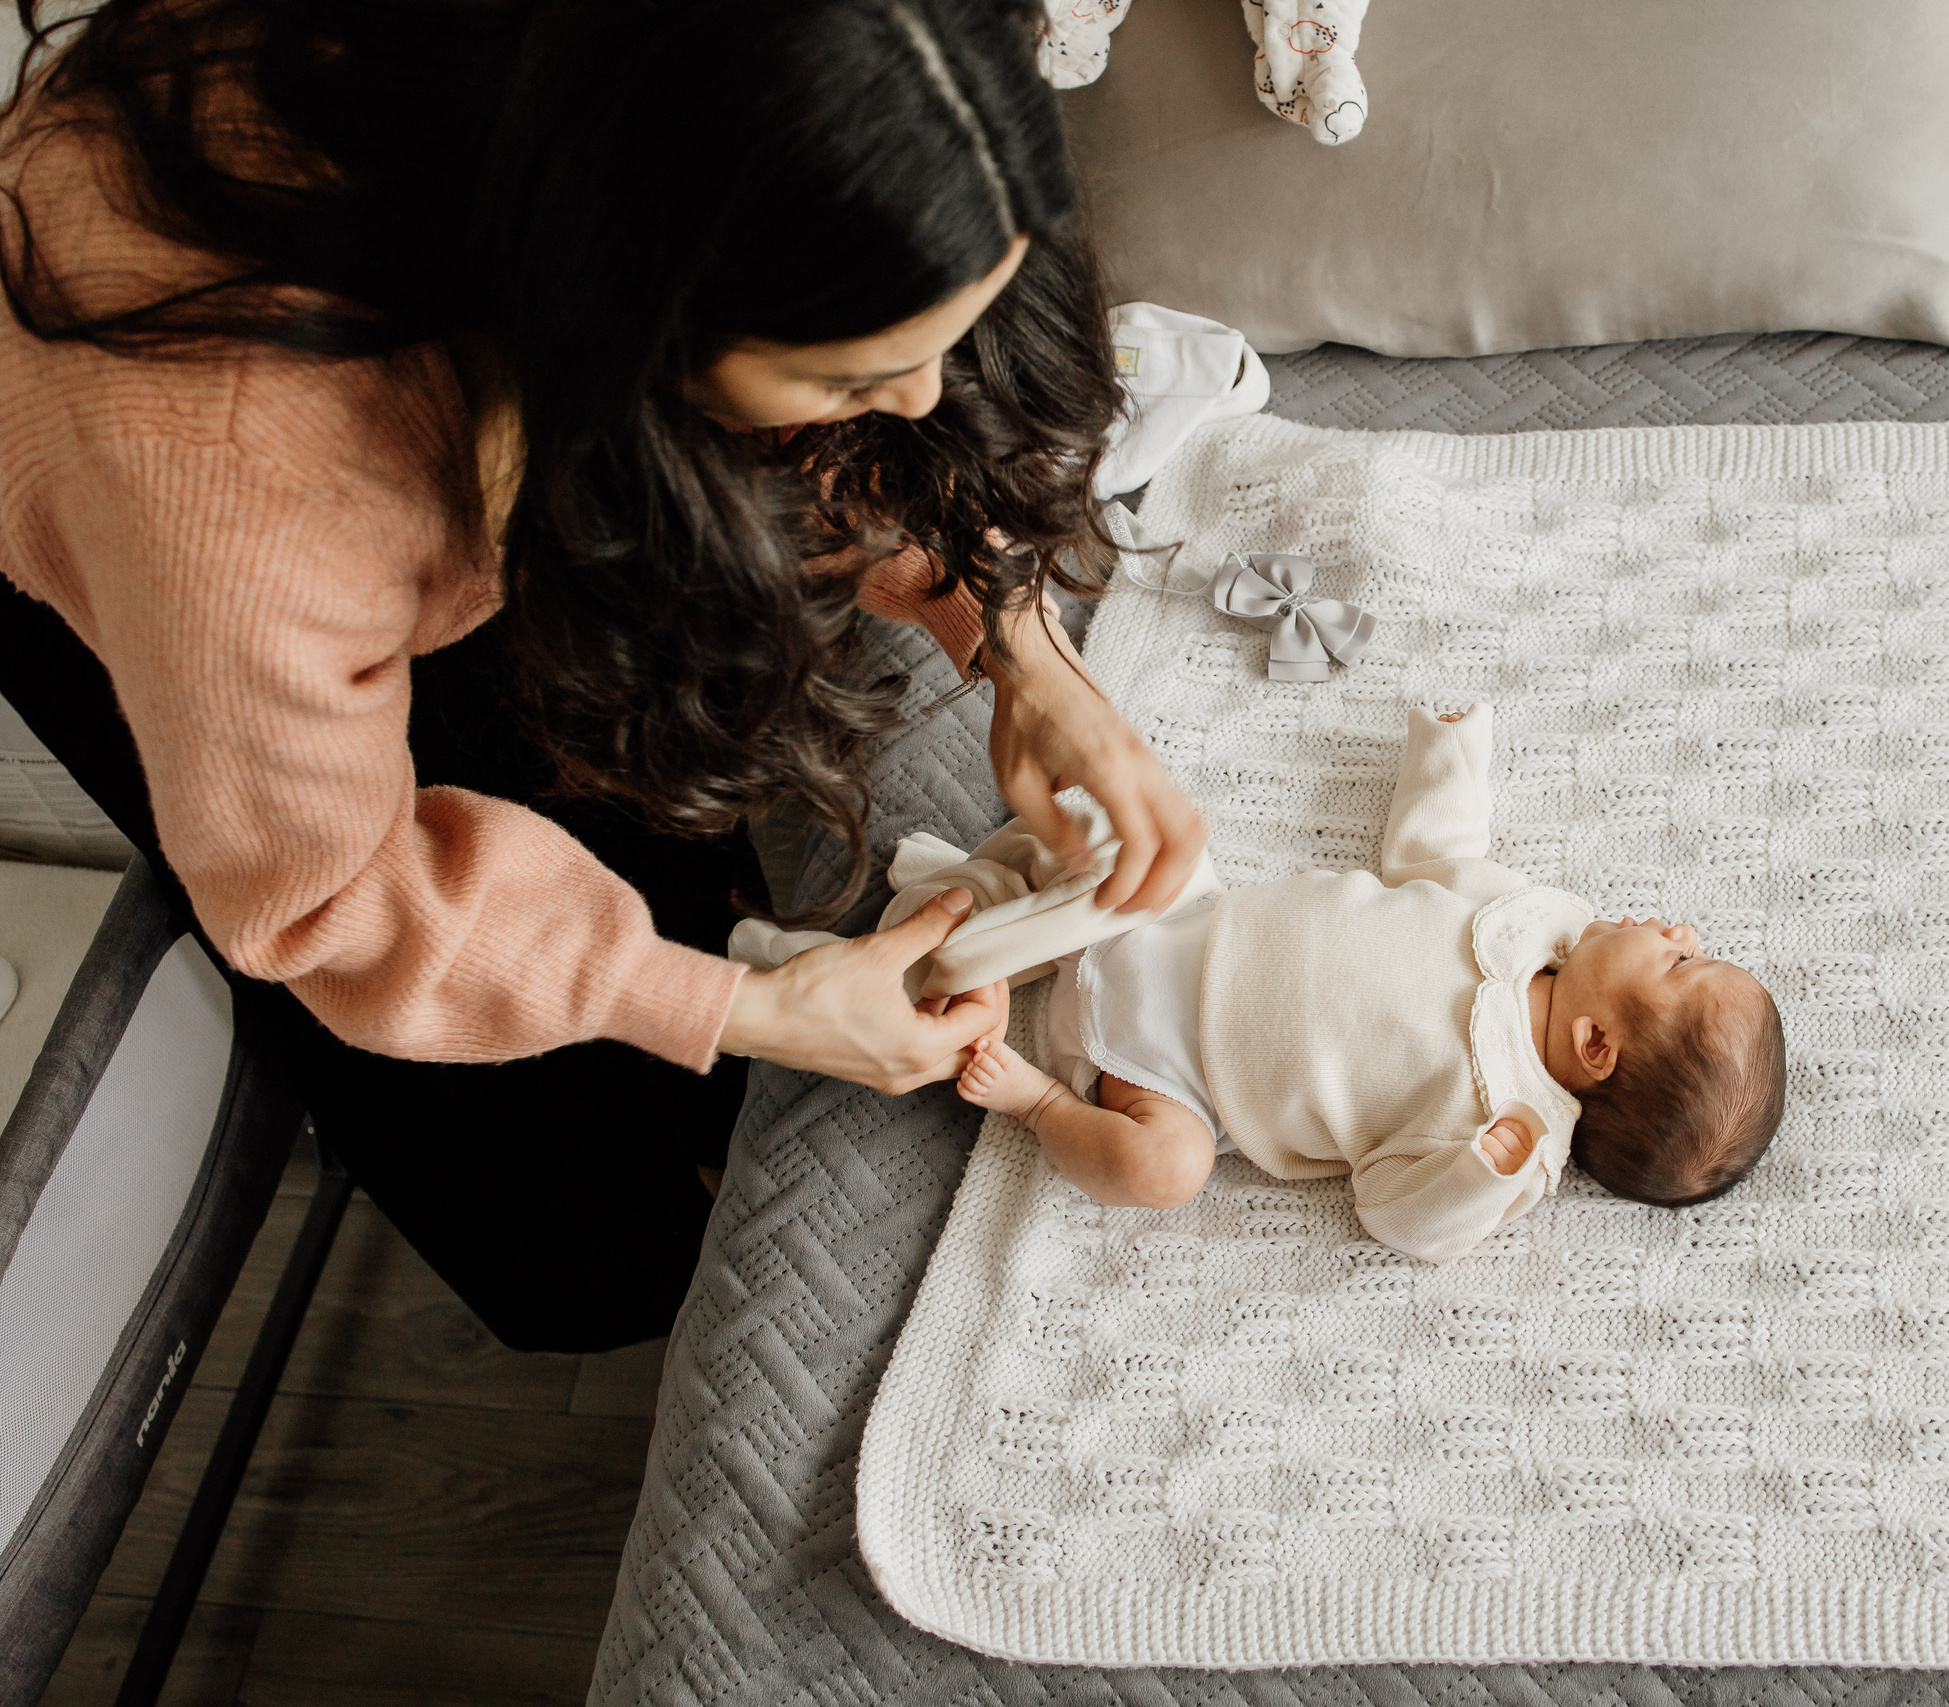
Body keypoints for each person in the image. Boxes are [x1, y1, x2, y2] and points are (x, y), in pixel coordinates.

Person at [0, 0, 1204, 1350]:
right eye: (854, 374)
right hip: (170, 534)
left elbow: (861, 349)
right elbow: (335, 895)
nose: (923, 401)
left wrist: (1014, 639)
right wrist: (744, 1007)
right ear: (635, 344)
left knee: (653, 842)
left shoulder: (696, 107)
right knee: (544, 1159)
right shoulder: (251, 504)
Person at [952, 704, 1788, 1263]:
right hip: (1184, 921)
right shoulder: (1532, 921)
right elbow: (1434, 856)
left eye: (1682, 961)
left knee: (1169, 1171)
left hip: (1167, 1079)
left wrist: (1475, 1178)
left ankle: (1036, 1101)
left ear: (1596, 1043)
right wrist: (1451, 755)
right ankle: (1013, 909)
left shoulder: (1512, 1131)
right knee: (1135, 807)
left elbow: (1395, 1215)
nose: (1682, 931)